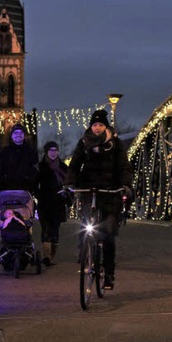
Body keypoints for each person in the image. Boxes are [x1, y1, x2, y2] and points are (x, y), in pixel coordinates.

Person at [65, 109, 133, 289]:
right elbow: (74, 166)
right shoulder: (83, 144)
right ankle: (86, 253)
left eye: (101, 125)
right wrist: (70, 183)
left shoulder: (116, 144)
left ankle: (109, 272)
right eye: (94, 125)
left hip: (110, 193)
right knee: (87, 225)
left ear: (106, 126)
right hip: (89, 191)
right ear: (90, 126)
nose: (97, 128)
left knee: (108, 232)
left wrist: (126, 184)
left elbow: (124, 167)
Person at [36, 141, 68, 266]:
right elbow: (34, 184)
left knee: (55, 230)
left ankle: (52, 255)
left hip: (58, 203)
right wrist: (38, 194)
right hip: (44, 202)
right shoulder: (40, 167)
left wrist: (67, 195)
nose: (53, 153)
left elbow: (69, 182)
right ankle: (47, 256)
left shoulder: (64, 167)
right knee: (46, 228)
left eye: (55, 150)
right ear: (46, 152)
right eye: (51, 150)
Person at [0, 123, 39, 193]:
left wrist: (31, 187)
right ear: (12, 136)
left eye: (21, 133)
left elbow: (35, 172)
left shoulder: (31, 152)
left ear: (24, 135)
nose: (18, 135)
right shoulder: (4, 152)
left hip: (26, 191)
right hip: (7, 190)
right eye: (16, 133)